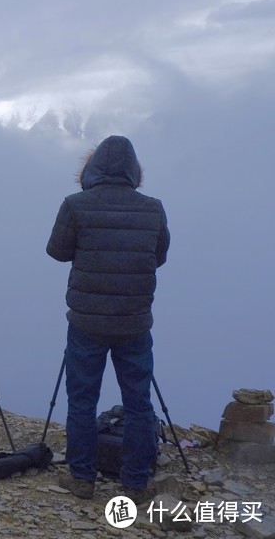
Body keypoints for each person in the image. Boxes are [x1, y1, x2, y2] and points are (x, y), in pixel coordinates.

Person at [46, 136, 170, 504]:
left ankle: (82, 478)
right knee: (138, 402)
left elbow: (56, 251)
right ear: (134, 171)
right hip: (134, 321)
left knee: (82, 400)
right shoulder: (153, 209)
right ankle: (135, 481)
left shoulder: (75, 205)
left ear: (92, 168)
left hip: (86, 321)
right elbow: (158, 256)